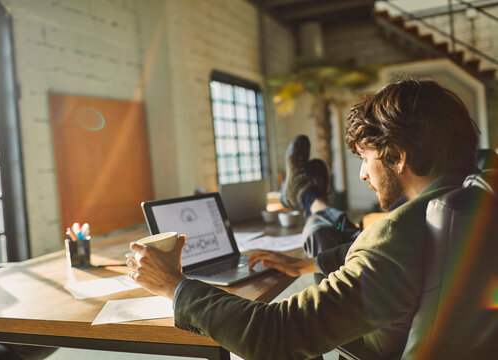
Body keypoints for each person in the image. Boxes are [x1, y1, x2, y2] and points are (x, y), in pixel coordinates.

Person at [126, 79, 480, 359]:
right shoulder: (471, 200)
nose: (362, 175)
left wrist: (173, 285)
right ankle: (310, 197)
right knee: (326, 236)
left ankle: (309, 198)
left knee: (319, 229)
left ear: (398, 157)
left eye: (364, 157)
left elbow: (274, 334)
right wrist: (304, 266)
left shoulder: (396, 234)